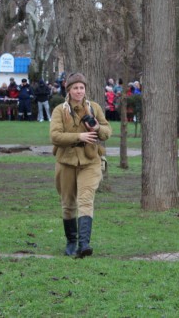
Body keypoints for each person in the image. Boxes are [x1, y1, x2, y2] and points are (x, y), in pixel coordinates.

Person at [50, 72, 111, 258]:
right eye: (75, 88)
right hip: (66, 161)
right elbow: (55, 136)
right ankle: (71, 241)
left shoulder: (94, 108)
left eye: (81, 88)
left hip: (90, 160)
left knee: (85, 200)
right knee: (68, 203)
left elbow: (107, 131)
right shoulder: (60, 110)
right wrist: (79, 136)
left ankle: (84, 244)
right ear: (68, 90)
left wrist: (97, 129)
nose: (79, 91)